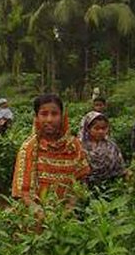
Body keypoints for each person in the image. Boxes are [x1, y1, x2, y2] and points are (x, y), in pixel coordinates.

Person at [12, 94, 91, 223]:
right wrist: (41, 214)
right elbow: (23, 193)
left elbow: (81, 181)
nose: (49, 119)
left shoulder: (73, 146)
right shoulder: (29, 148)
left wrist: (69, 208)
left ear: (62, 116)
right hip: (35, 220)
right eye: (44, 114)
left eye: (54, 114)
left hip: (68, 219)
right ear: (36, 117)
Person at [80, 111, 126, 188]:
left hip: (111, 187)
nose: (101, 131)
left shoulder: (112, 146)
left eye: (104, 128)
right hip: (86, 189)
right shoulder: (80, 147)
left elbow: (120, 167)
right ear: (88, 129)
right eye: (96, 128)